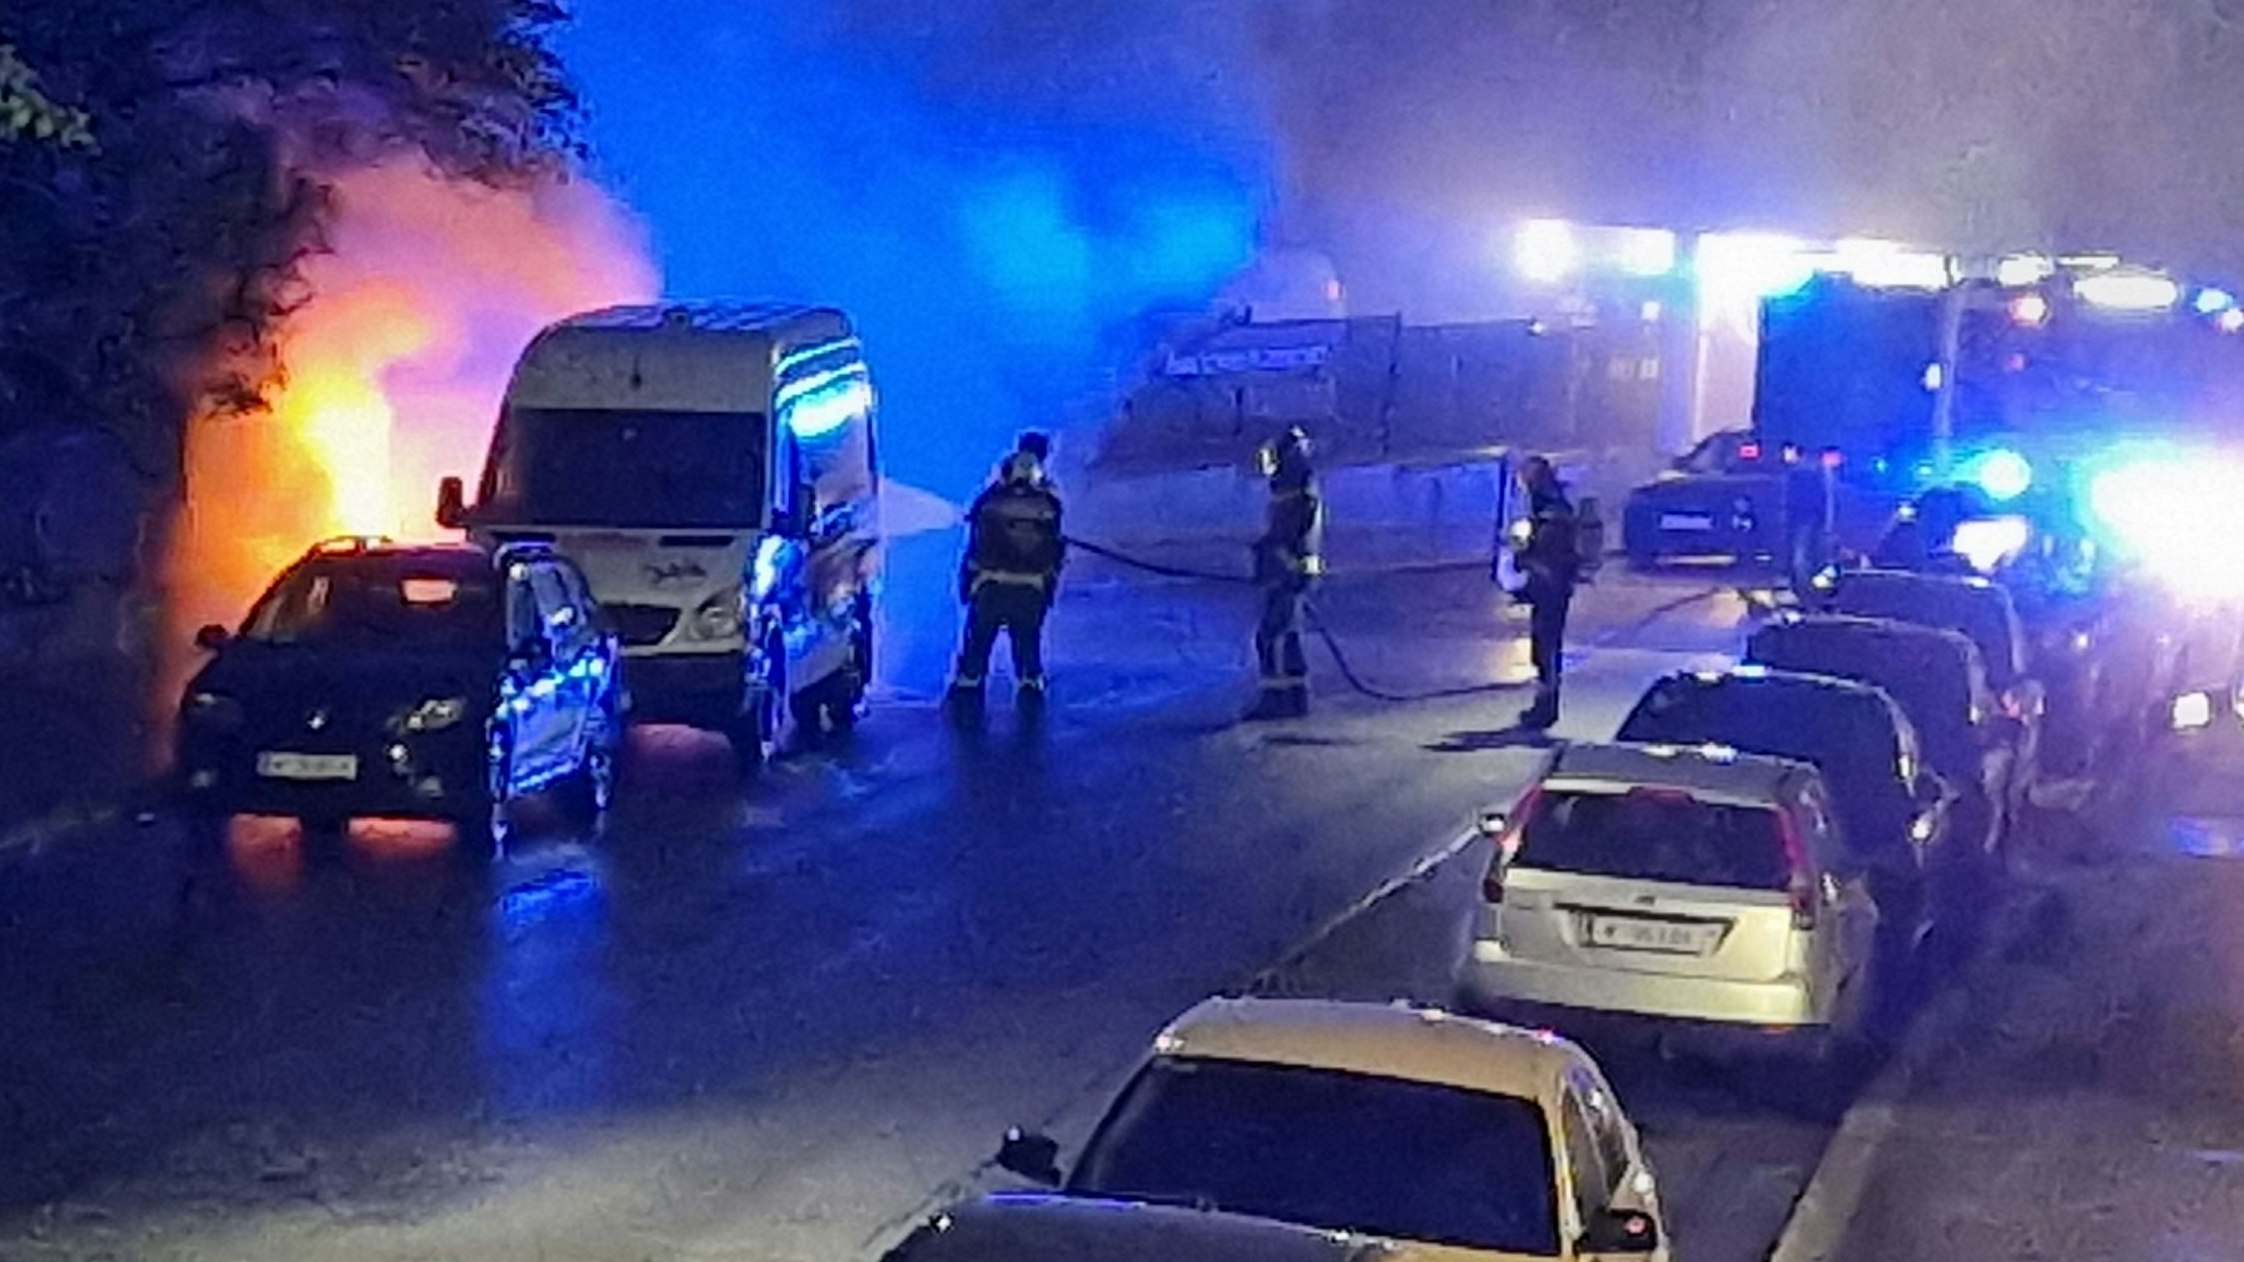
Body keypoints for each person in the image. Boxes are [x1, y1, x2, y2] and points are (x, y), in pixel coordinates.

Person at [947, 442, 1066, 719]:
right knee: (1027, 641)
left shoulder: (990, 503)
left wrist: (967, 585)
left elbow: (976, 542)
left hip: (990, 587)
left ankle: (968, 688)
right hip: (1031, 588)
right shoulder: (1047, 504)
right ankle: (1030, 682)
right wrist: (1048, 587)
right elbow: (1055, 549)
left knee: (978, 643)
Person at [1246, 426, 1325, 720]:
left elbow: (1287, 534)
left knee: (1270, 637)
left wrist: (1272, 557)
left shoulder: (1293, 489)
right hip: (1293, 573)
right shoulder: (1298, 486)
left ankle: (1275, 699)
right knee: (1289, 635)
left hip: (1288, 575)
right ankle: (1297, 698)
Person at [1512, 455, 1580, 730]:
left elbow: (1549, 552)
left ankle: (1546, 707)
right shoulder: (1549, 506)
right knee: (1543, 648)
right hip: (1551, 587)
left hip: (1552, 588)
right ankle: (1544, 704)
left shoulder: (1553, 512)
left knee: (1547, 649)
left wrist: (1525, 554)